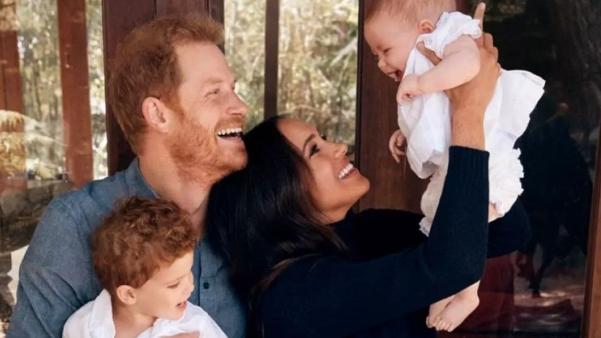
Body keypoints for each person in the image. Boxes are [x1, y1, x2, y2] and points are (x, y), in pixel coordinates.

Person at [206, 24, 530, 338]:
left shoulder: (367, 232)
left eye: (325, 137)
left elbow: (505, 231)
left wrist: (444, 130)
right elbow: (452, 265)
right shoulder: (295, 295)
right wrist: (468, 112)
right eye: (315, 150)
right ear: (278, 193)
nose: (340, 148)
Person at [8, 15, 247, 338]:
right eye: (214, 92)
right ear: (158, 114)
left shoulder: (250, 214)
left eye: (233, 89)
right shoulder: (74, 226)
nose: (241, 106)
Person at [363, 0, 544, 330]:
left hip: (487, 159)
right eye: (376, 55)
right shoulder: (425, 67)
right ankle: (446, 288)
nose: (381, 63)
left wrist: (420, 84)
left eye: (385, 50)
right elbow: (435, 117)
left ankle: (467, 292)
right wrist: (405, 134)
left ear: (425, 31)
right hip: (458, 160)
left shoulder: (450, 36)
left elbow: (469, 66)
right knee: (443, 223)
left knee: (466, 226)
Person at [62, 197, 227, 338]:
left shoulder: (196, 324)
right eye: (174, 284)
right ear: (129, 294)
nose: (190, 287)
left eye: (189, 272)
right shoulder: (83, 327)